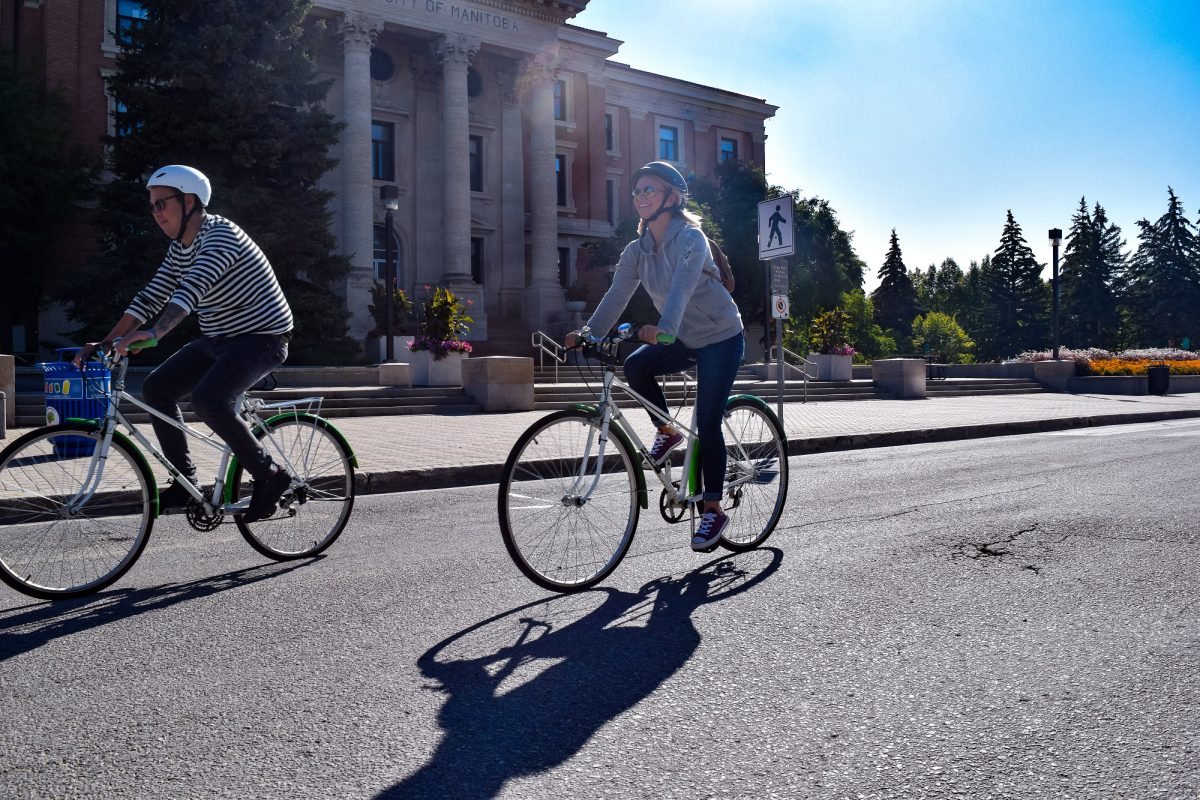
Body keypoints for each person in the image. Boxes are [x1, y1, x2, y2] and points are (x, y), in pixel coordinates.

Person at [74, 165, 294, 523]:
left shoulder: (221, 235)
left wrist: (156, 334)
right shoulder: (180, 248)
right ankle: (184, 478)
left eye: (162, 204)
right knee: (157, 387)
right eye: (152, 207)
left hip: (262, 337)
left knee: (209, 399)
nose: (156, 213)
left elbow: (191, 290)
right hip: (219, 338)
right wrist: (106, 340)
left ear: (189, 201)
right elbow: (151, 296)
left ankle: (270, 475)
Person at [565, 161, 744, 552]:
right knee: (635, 364)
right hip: (679, 334)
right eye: (637, 191)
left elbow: (681, 288)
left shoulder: (692, 239)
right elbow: (617, 294)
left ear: (672, 197)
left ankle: (712, 508)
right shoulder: (637, 250)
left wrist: (664, 327)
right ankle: (667, 431)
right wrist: (589, 332)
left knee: (709, 419)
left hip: (720, 336)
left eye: (649, 189)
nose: (640, 196)